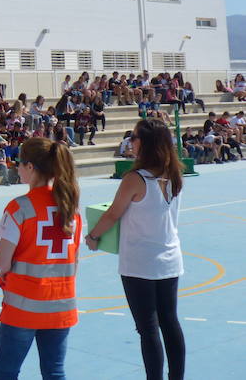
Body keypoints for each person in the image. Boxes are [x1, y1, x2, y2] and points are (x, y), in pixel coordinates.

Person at [85, 118, 185, 380]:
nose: (131, 141)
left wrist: (93, 236)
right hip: (169, 258)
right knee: (170, 322)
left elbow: (113, 214)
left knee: (148, 328)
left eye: (135, 136)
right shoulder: (174, 174)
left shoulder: (134, 178)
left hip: (140, 262)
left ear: (146, 143)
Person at [0, 137, 81, 380]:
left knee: (5, 372)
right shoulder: (71, 209)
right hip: (61, 305)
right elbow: (74, 261)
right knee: (54, 372)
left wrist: (5, 271)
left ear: (31, 167)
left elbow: (2, 261)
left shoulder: (19, 207)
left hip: (23, 306)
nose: (17, 168)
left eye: (19, 163)